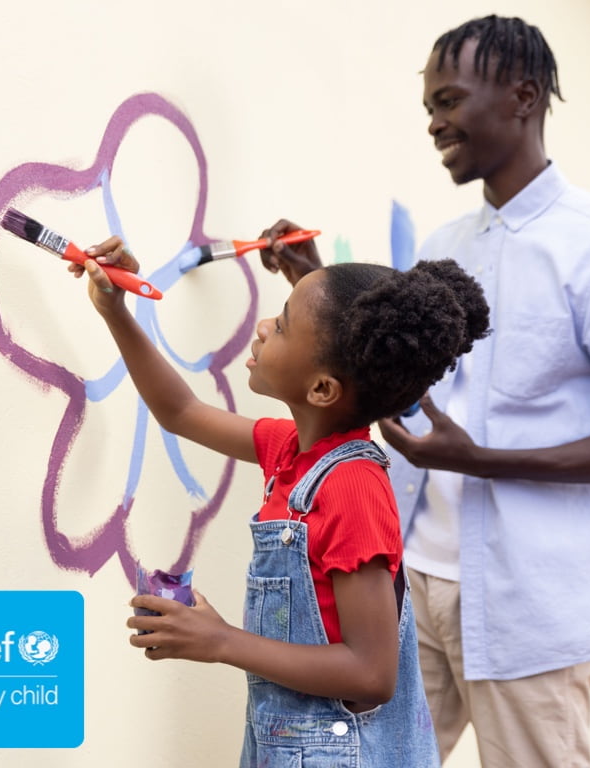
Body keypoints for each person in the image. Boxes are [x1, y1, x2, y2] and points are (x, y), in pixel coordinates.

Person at [259, 14, 590, 768]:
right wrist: (314, 283)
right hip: (419, 584)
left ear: (523, 97)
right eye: (430, 105)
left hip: (533, 607)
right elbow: (399, 378)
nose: (434, 123)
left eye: (450, 101)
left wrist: (484, 461)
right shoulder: (447, 246)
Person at [68, 239, 489, 767]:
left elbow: (372, 674)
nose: (265, 326)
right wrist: (115, 309)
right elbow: (180, 411)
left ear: (321, 389)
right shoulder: (291, 449)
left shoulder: (352, 487)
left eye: (285, 325)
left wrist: (220, 640)